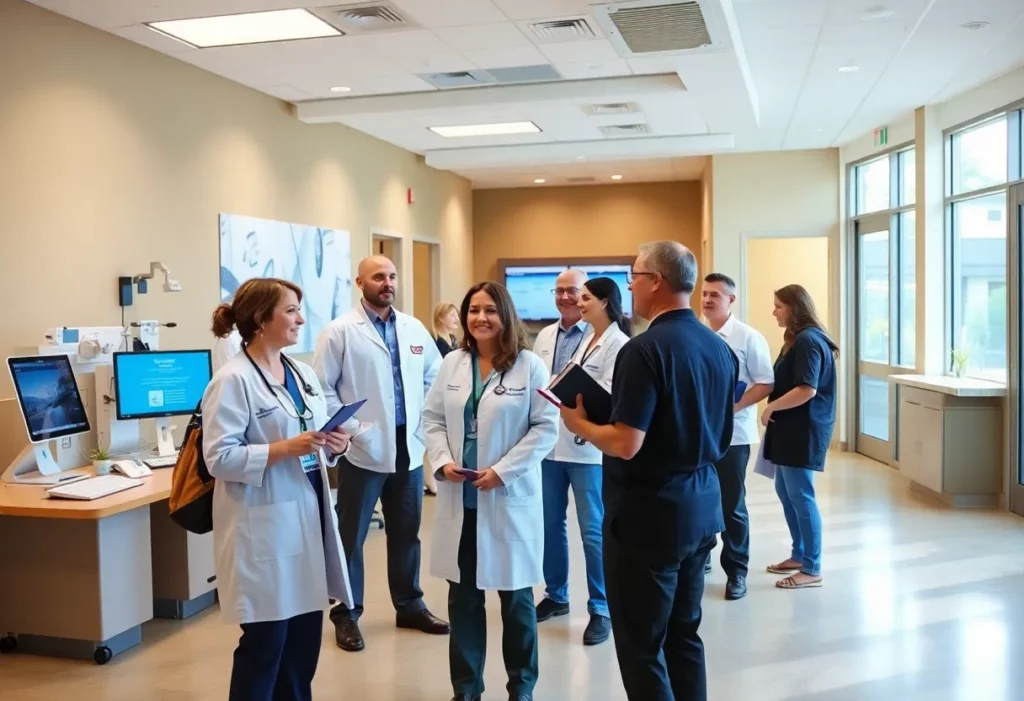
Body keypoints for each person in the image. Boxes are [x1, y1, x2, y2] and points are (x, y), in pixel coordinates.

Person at [561, 241, 737, 701]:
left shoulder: (643, 350)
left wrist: (580, 423)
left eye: (633, 278)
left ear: (655, 281)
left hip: (648, 518)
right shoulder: (717, 347)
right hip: (700, 506)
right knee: (684, 634)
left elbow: (626, 441)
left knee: (641, 646)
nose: (630, 288)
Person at [202, 278, 354, 701]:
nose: (300, 319)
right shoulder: (232, 381)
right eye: (290, 310)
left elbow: (314, 440)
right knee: (265, 647)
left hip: (306, 523)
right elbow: (219, 458)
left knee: (303, 650)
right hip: (262, 530)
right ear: (259, 319)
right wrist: (285, 448)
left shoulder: (301, 373)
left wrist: (334, 446)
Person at [422, 281, 558, 701]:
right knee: (463, 601)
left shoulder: (530, 365)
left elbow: (546, 427)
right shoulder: (453, 364)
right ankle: (466, 689)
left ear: (506, 315)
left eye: (490, 310)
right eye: (473, 310)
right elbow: (432, 420)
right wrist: (442, 461)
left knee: (517, 603)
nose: (480, 318)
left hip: (506, 499)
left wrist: (504, 470)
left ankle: (522, 688)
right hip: (461, 499)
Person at [312, 255, 449, 652]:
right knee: (350, 537)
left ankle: (409, 604)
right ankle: (346, 614)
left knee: (407, 533)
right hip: (362, 451)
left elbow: (434, 376)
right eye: (378, 277)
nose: (387, 283)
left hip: (409, 446)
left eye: (391, 276)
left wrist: (426, 420)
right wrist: (354, 431)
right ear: (360, 282)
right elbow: (322, 389)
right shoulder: (339, 332)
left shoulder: (412, 327)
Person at [535, 277, 631, 646]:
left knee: (593, 532)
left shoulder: (618, 344)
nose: (571, 299)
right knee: (550, 524)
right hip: (550, 446)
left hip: (588, 450)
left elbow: (608, 396)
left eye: (581, 295)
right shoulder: (550, 337)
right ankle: (557, 595)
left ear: (603, 302)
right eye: (559, 291)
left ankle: (601, 607)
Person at [700, 273, 775, 601]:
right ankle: (701, 555)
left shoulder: (747, 337)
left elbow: (765, 382)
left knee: (731, 504)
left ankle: (737, 571)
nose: (707, 300)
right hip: (699, 434)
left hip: (733, 435)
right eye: (704, 294)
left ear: (731, 300)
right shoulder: (698, 334)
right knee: (701, 498)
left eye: (716, 295)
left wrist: (731, 407)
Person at [761, 284, 837, 591]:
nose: (774, 311)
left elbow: (807, 389)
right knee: (786, 490)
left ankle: (812, 567)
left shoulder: (808, 341)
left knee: (801, 495)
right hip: (789, 430)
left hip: (802, 431)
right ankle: (799, 554)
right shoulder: (795, 340)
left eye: (779, 306)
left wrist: (771, 409)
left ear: (794, 308)